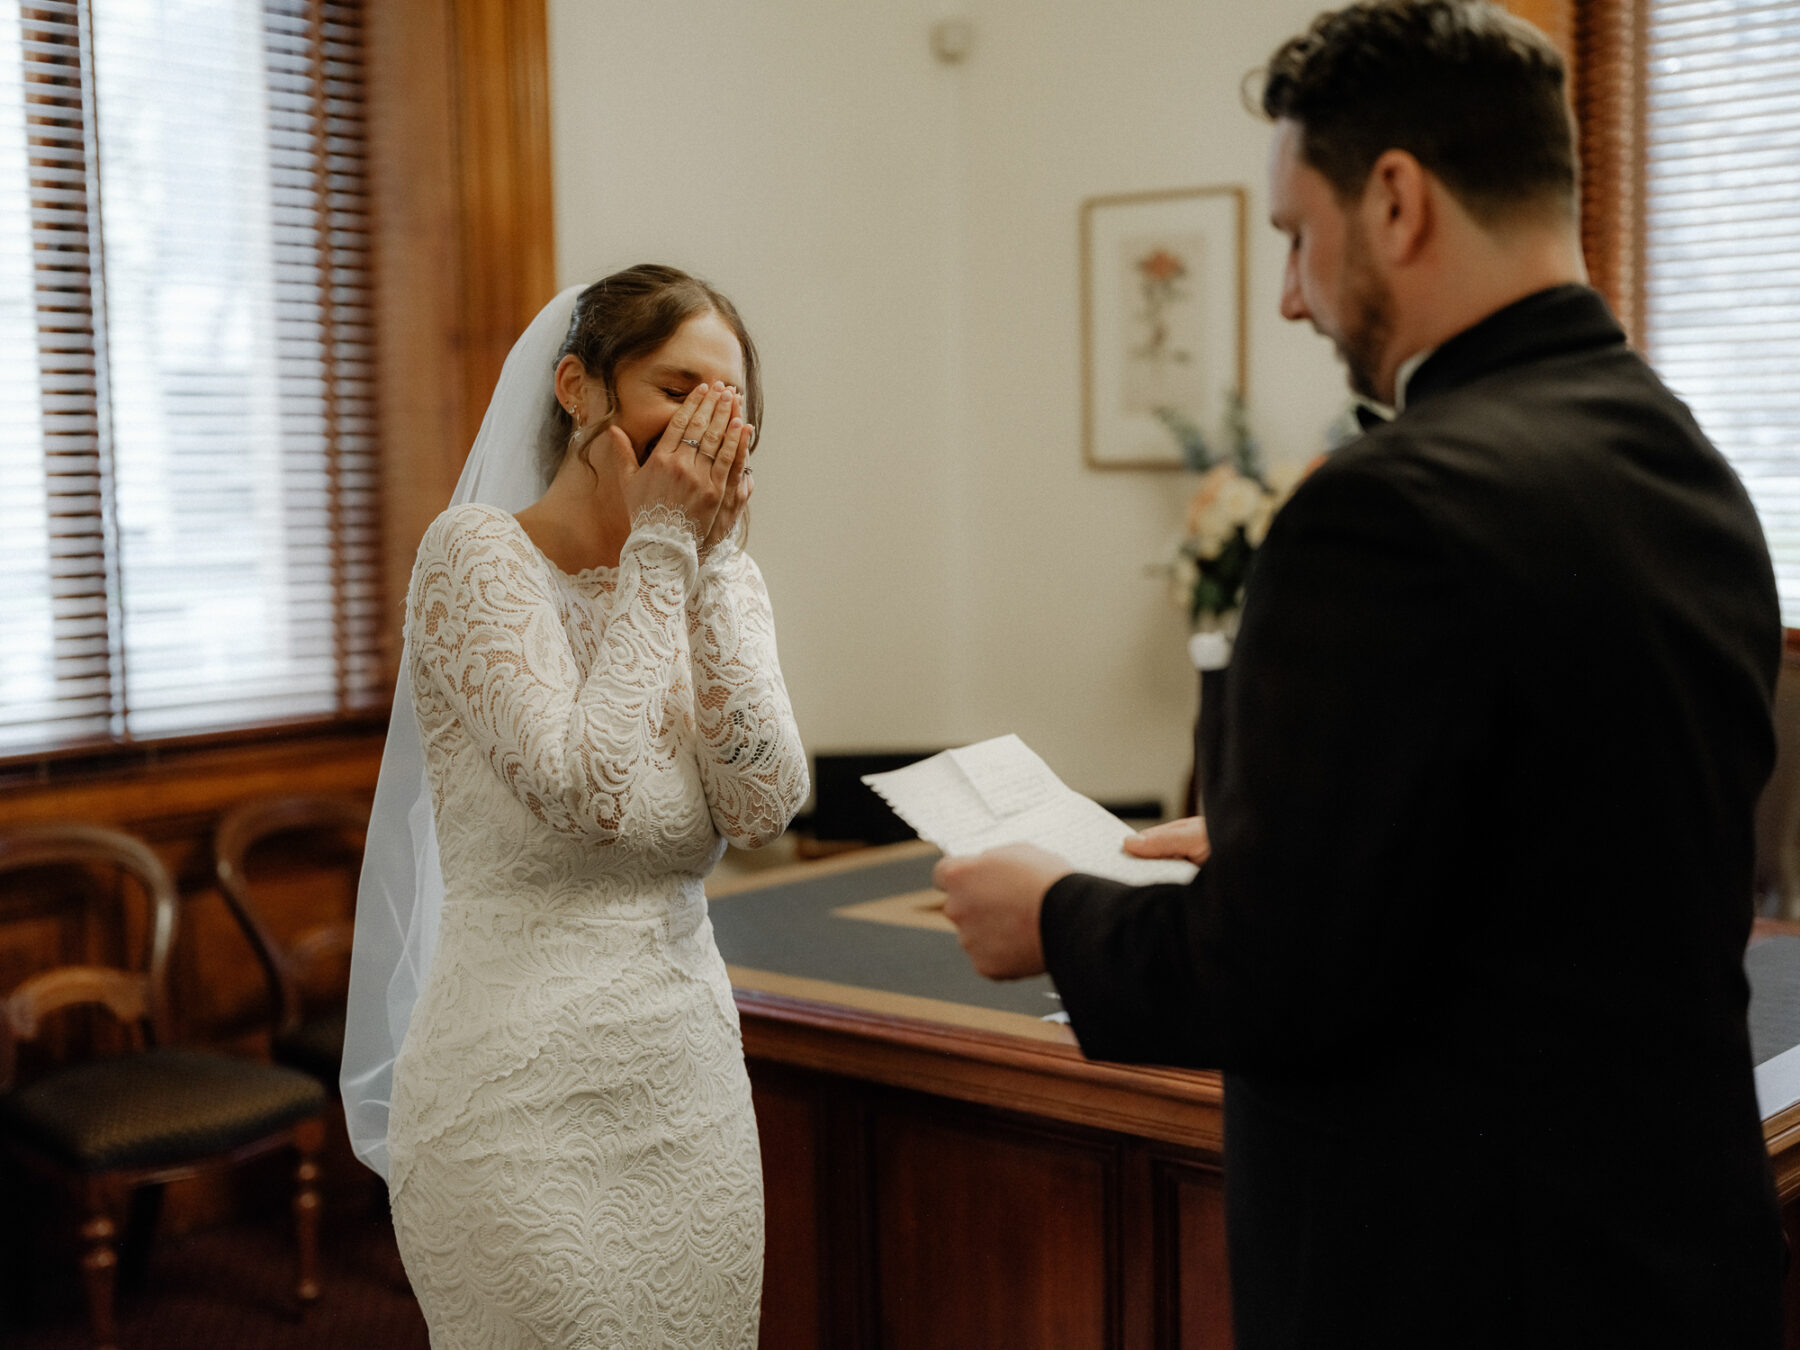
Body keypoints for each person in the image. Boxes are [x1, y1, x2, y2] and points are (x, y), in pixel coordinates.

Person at [933, 3, 1786, 1346]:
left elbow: (1274, 976)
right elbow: (1582, 851)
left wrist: (1055, 918)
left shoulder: (1386, 505)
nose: (1292, 295)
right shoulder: (1690, 463)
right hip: (1672, 1258)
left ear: (1395, 200)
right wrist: (1295, 839)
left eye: (1295, 235)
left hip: (1456, 1279)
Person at [341, 264, 808, 1348]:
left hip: (688, 1092)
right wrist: (660, 547)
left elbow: (763, 803)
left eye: (727, 407)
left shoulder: (718, 577)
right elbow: (588, 792)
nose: (702, 429)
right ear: (577, 389)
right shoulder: (475, 557)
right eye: (676, 390)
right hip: (515, 1109)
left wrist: (706, 565)